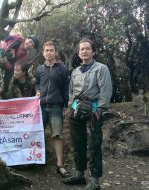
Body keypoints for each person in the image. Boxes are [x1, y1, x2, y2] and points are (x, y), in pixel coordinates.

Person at [62, 38, 112, 190]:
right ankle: (79, 175)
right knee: (78, 143)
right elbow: (71, 92)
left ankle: (95, 181)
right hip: (76, 109)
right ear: (79, 53)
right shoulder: (76, 71)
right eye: (82, 49)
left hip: (94, 110)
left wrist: (100, 110)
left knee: (94, 145)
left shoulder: (101, 68)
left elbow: (106, 90)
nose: (84, 51)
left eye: (87, 48)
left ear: (93, 51)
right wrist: (71, 106)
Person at [35, 41, 70, 177]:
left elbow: (66, 89)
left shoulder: (63, 69)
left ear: (56, 52)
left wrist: (66, 106)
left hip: (56, 107)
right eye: (46, 50)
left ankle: (60, 165)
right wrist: (37, 90)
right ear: (43, 53)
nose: (49, 52)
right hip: (41, 107)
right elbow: (37, 82)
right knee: (38, 134)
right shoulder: (39, 69)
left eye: (51, 50)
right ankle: (36, 161)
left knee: (57, 136)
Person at [0, 34, 39, 98]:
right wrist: (4, 51)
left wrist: (9, 61)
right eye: (30, 41)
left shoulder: (24, 57)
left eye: (32, 45)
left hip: (4, 68)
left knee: (6, 84)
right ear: (27, 38)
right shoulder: (17, 37)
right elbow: (3, 38)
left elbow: (13, 67)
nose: (30, 45)